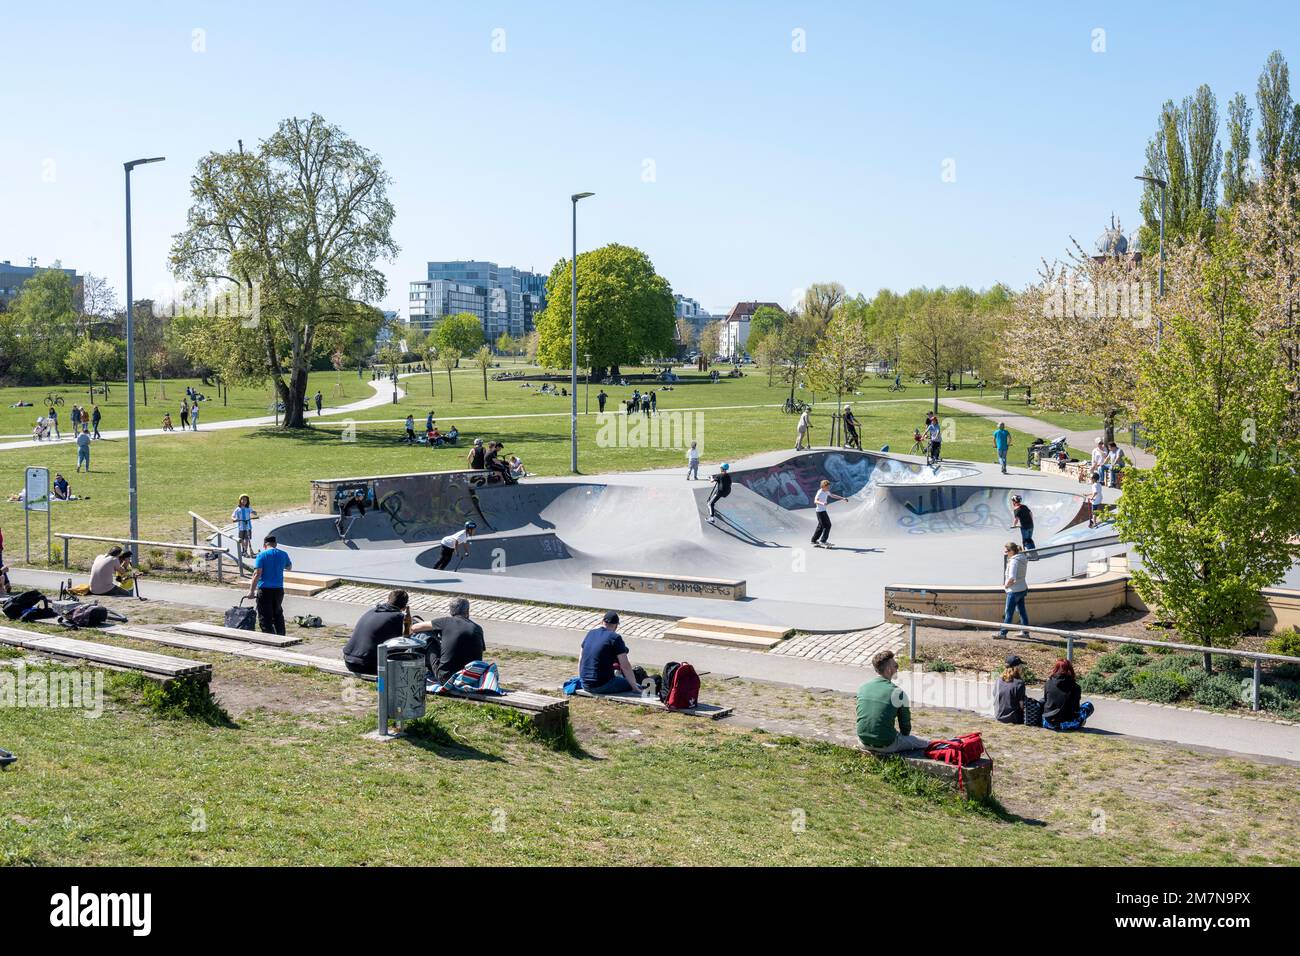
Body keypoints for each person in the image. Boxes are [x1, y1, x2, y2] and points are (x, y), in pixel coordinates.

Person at [342, 589, 437, 677]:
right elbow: (413, 631)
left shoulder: (372, 611)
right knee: (417, 644)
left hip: (349, 660)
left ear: (388, 600)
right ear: (404, 607)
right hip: (367, 665)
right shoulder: (398, 617)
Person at [856, 649, 931, 754]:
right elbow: (905, 727)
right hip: (887, 745)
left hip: (863, 742)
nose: (897, 669)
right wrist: (904, 738)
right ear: (888, 669)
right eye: (896, 666)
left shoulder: (862, 688)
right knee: (923, 743)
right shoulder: (898, 692)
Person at [427, 597, 487, 686]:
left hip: (447, 678)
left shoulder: (444, 621)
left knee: (430, 641)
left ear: (451, 611)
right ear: (467, 611)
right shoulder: (477, 628)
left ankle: (426, 669)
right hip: (471, 677)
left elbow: (415, 627)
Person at [579, 611, 642, 695]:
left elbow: (580, 660)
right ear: (616, 626)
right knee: (638, 685)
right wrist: (635, 688)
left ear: (602, 622)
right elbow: (625, 665)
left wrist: (582, 679)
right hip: (601, 685)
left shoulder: (590, 633)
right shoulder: (615, 638)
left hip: (584, 684)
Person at [246, 535, 292, 635]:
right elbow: (289, 567)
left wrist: (251, 591)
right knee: (278, 613)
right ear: (275, 544)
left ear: (264, 545)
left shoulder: (261, 555)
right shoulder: (283, 554)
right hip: (279, 589)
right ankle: (281, 635)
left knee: (264, 616)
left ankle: (268, 637)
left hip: (265, 589)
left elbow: (257, 574)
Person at [1042, 658, 1094, 730]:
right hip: (1067, 724)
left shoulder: (1048, 683)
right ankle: (1078, 722)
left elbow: (1045, 700)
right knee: (1088, 705)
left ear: (1055, 670)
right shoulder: (1075, 687)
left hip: (1048, 723)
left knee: (1042, 700)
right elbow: (1076, 709)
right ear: (1070, 671)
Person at [998, 541, 1031, 639]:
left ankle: (1002, 633)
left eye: (1007, 550)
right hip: (1022, 589)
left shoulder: (1014, 561)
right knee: (1022, 611)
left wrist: (1006, 586)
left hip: (1014, 590)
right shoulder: (1022, 558)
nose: (1006, 552)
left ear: (1012, 551)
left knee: (1009, 612)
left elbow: (1012, 577)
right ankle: (1025, 632)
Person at [811, 479, 846, 548]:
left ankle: (814, 540)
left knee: (820, 526)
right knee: (827, 525)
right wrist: (822, 503)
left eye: (828, 487)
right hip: (820, 512)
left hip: (822, 511)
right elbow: (815, 501)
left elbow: (832, 495)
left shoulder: (826, 491)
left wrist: (842, 498)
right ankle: (823, 541)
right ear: (823, 486)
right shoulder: (820, 492)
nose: (828, 488)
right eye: (827, 487)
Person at [994, 654, 1027, 724]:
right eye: (1020, 666)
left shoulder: (998, 680)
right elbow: (1022, 706)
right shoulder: (1019, 683)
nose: (1022, 668)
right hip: (1014, 719)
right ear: (1016, 667)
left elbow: (995, 697)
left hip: (999, 716)